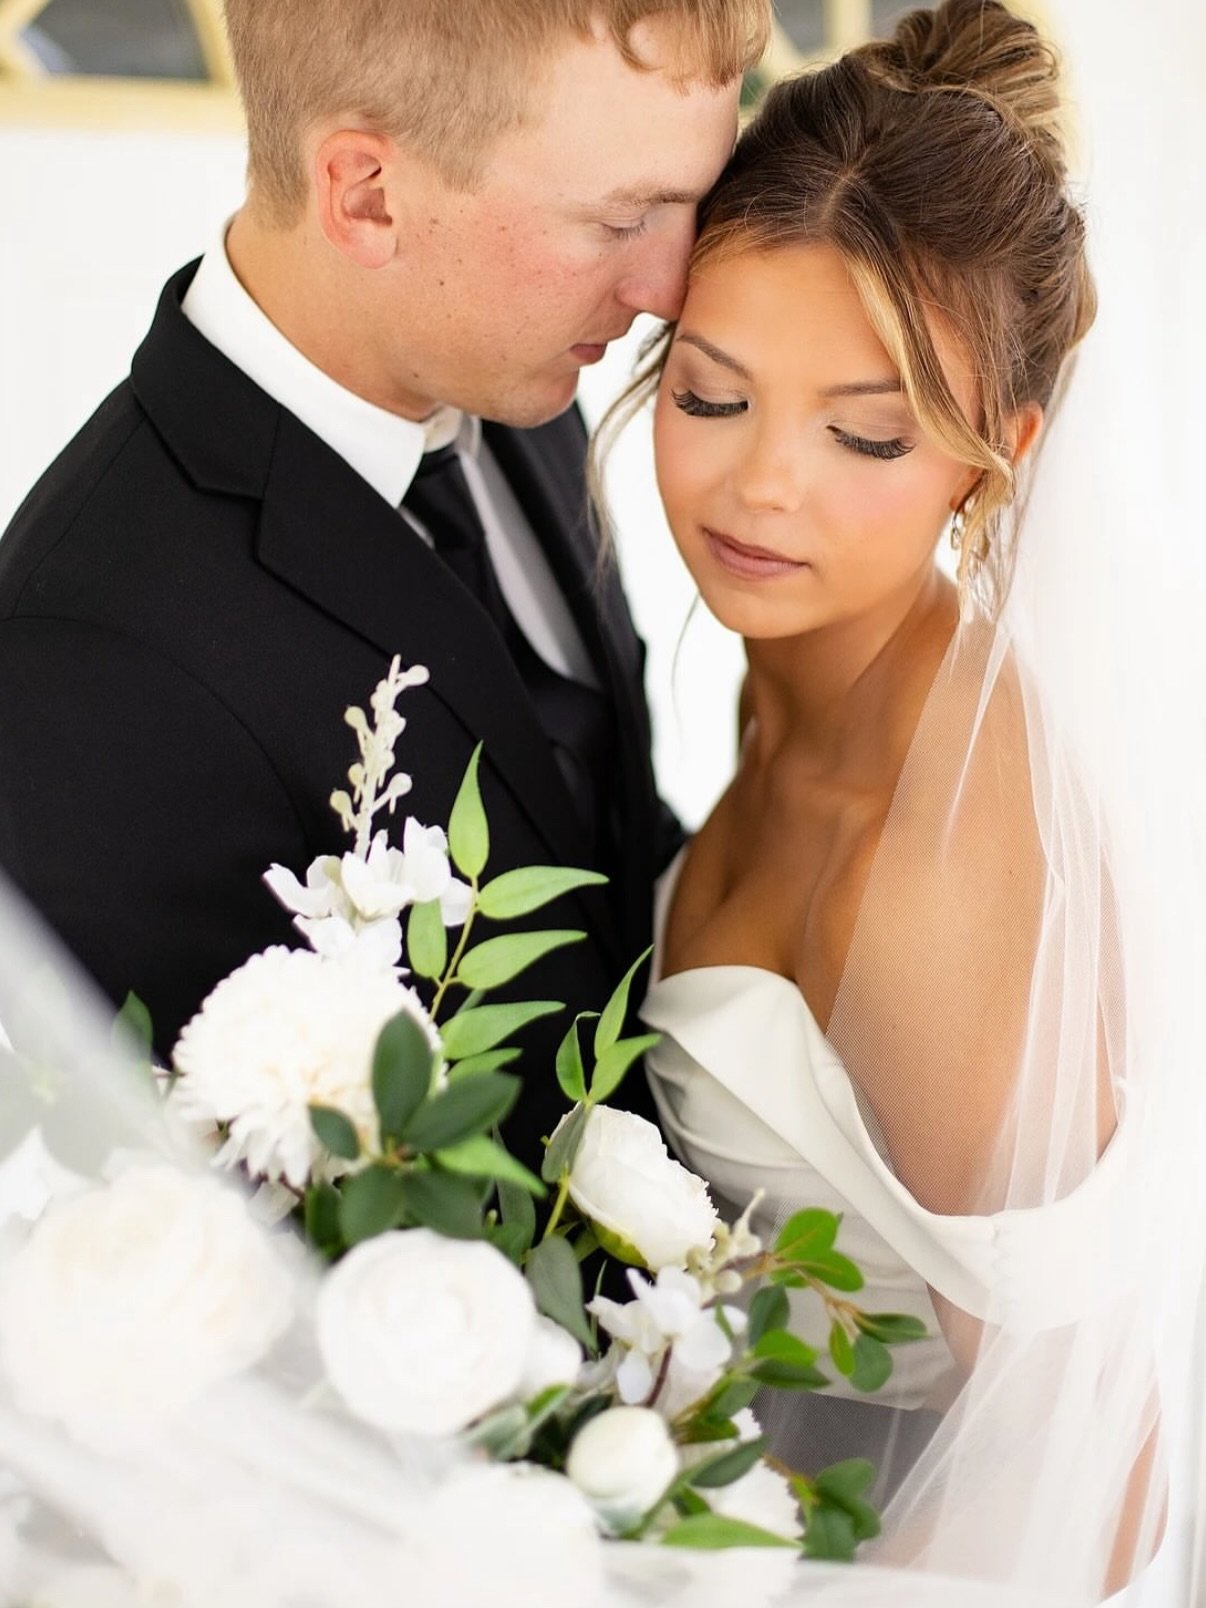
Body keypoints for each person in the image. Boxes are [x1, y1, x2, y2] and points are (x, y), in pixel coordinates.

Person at [619, 0, 1206, 1598]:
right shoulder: (792, 660)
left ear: (993, 461)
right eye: (710, 393)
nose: (759, 487)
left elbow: (1109, 1457)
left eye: (864, 434)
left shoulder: (948, 866)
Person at [0, 0, 768, 1168]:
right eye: (621, 217)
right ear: (365, 193)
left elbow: (592, 834)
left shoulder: (508, 373)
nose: (668, 285)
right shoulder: (86, 658)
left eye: (687, 201)